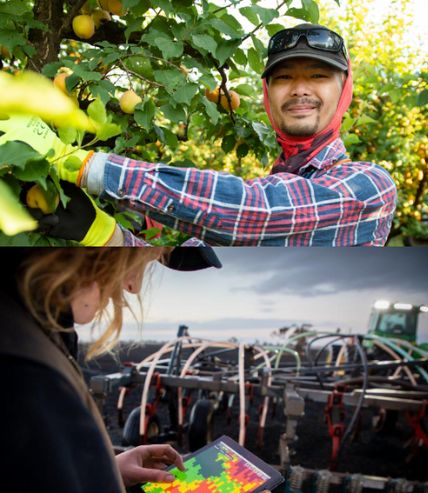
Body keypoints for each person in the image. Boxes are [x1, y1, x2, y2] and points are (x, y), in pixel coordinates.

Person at [0, 23, 396, 246]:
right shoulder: (275, 183)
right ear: (268, 94)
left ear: (344, 90)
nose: (299, 89)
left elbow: (250, 212)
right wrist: (104, 233)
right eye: (284, 78)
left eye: (318, 76)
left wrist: (78, 161)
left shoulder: (369, 186)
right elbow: (182, 272)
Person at [0, 248, 228, 492]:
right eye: (139, 261)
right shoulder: (26, 375)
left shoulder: (26, 334)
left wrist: (107, 468)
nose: (134, 286)